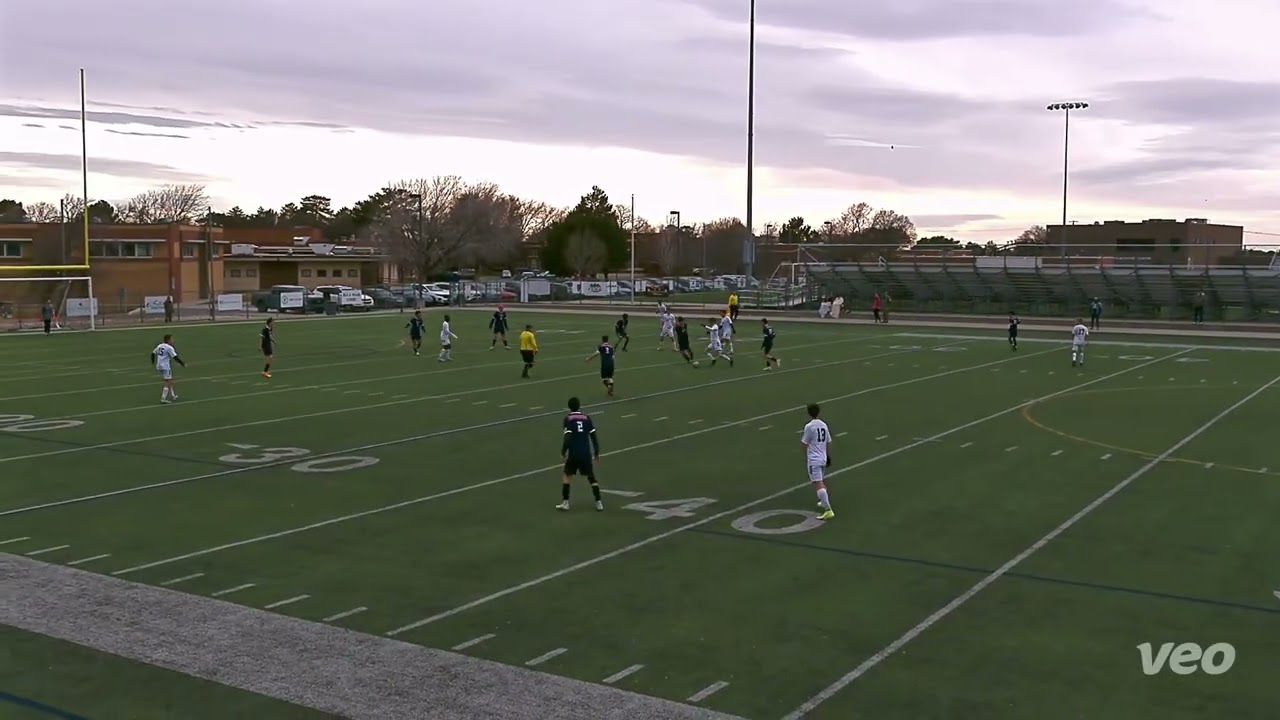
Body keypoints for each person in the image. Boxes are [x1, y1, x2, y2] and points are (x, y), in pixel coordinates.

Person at [558, 396, 603, 511]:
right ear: (579, 406)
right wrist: (596, 453)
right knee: (591, 477)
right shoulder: (586, 417)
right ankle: (598, 502)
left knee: (567, 476)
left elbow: (567, 438)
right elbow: (593, 436)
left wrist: (563, 452)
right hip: (585, 453)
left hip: (574, 453)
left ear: (569, 407)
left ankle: (565, 502)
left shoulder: (568, 419)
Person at [801, 403, 834, 521]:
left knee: (817, 483)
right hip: (823, 457)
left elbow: (804, 443)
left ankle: (828, 510)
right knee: (821, 480)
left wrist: (806, 456)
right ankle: (823, 501)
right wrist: (828, 456)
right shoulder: (824, 424)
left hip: (814, 459)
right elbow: (828, 441)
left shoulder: (809, 426)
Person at [151, 333, 186, 404]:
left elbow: (153, 353)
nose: (172, 340)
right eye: (171, 339)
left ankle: (173, 395)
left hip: (159, 366)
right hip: (165, 366)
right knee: (168, 382)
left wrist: (153, 362)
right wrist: (182, 364)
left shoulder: (160, 345)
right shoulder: (169, 347)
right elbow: (175, 357)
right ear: (168, 340)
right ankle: (163, 398)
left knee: (169, 380)